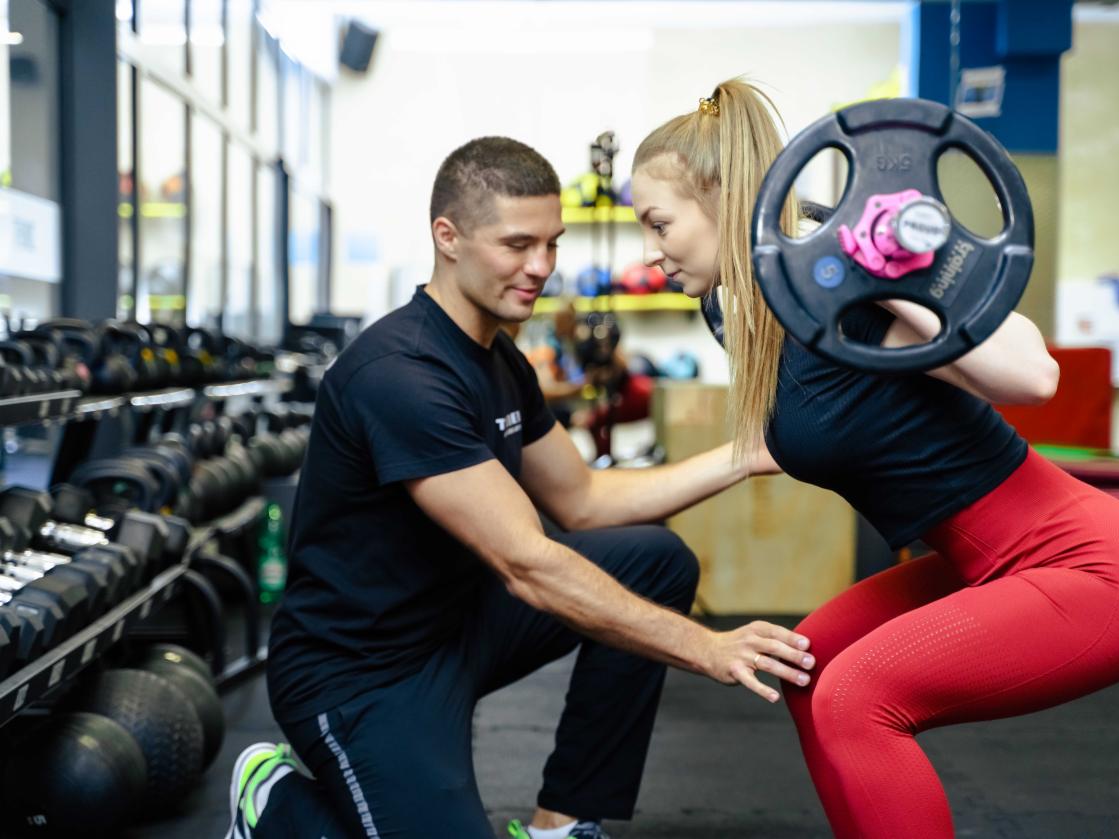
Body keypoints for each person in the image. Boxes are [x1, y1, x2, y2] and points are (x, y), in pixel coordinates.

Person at [629, 79, 1119, 839]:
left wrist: (894, 275)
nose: (649, 249)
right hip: (978, 561)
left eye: (658, 223)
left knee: (855, 695)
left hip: (1092, 564)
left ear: (723, 200)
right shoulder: (752, 315)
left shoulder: (855, 290)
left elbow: (1034, 377)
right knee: (812, 663)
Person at [224, 136, 814, 839]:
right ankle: (277, 800)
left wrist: (746, 454)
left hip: (459, 627)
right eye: (517, 245)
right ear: (447, 237)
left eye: (552, 244)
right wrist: (705, 647)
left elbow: (584, 501)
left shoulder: (499, 357)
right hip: (360, 674)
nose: (541, 268)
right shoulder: (400, 374)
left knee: (655, 560)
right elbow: (528, 562)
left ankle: (559, 823)